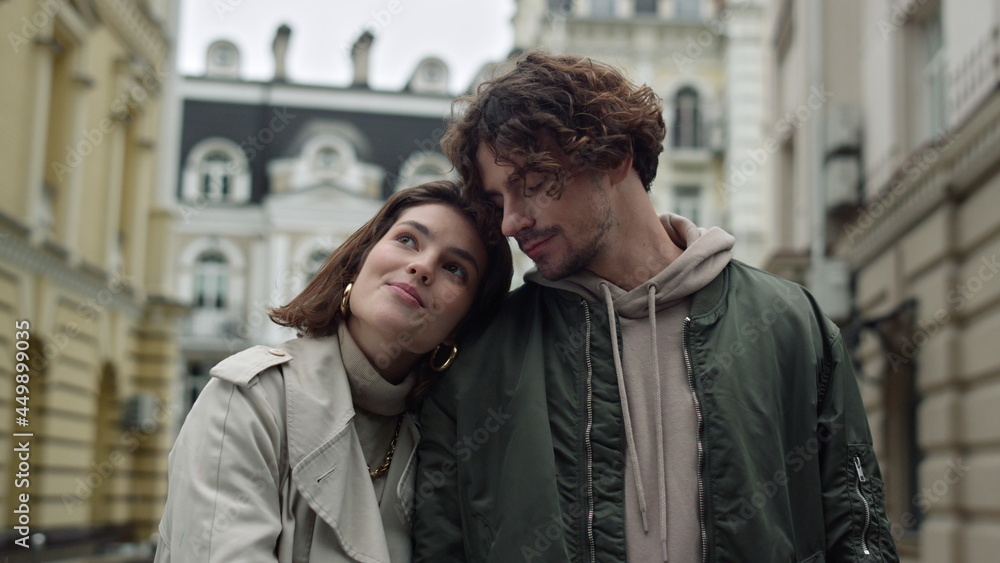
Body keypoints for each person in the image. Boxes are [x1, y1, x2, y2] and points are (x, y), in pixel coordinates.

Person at [413, 52, 898, 562]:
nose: (511, 222)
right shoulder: (481, 355)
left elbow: (858, 533)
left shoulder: (793, 324)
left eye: (531, 184)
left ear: (615, 157)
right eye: (497, 201)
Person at [155, 180, 512, 562]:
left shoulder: (451, 441)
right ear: (360, 261)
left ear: (462, 325)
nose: (422, 266)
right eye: (408, 240)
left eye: (454, 268)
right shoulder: (251, 400)